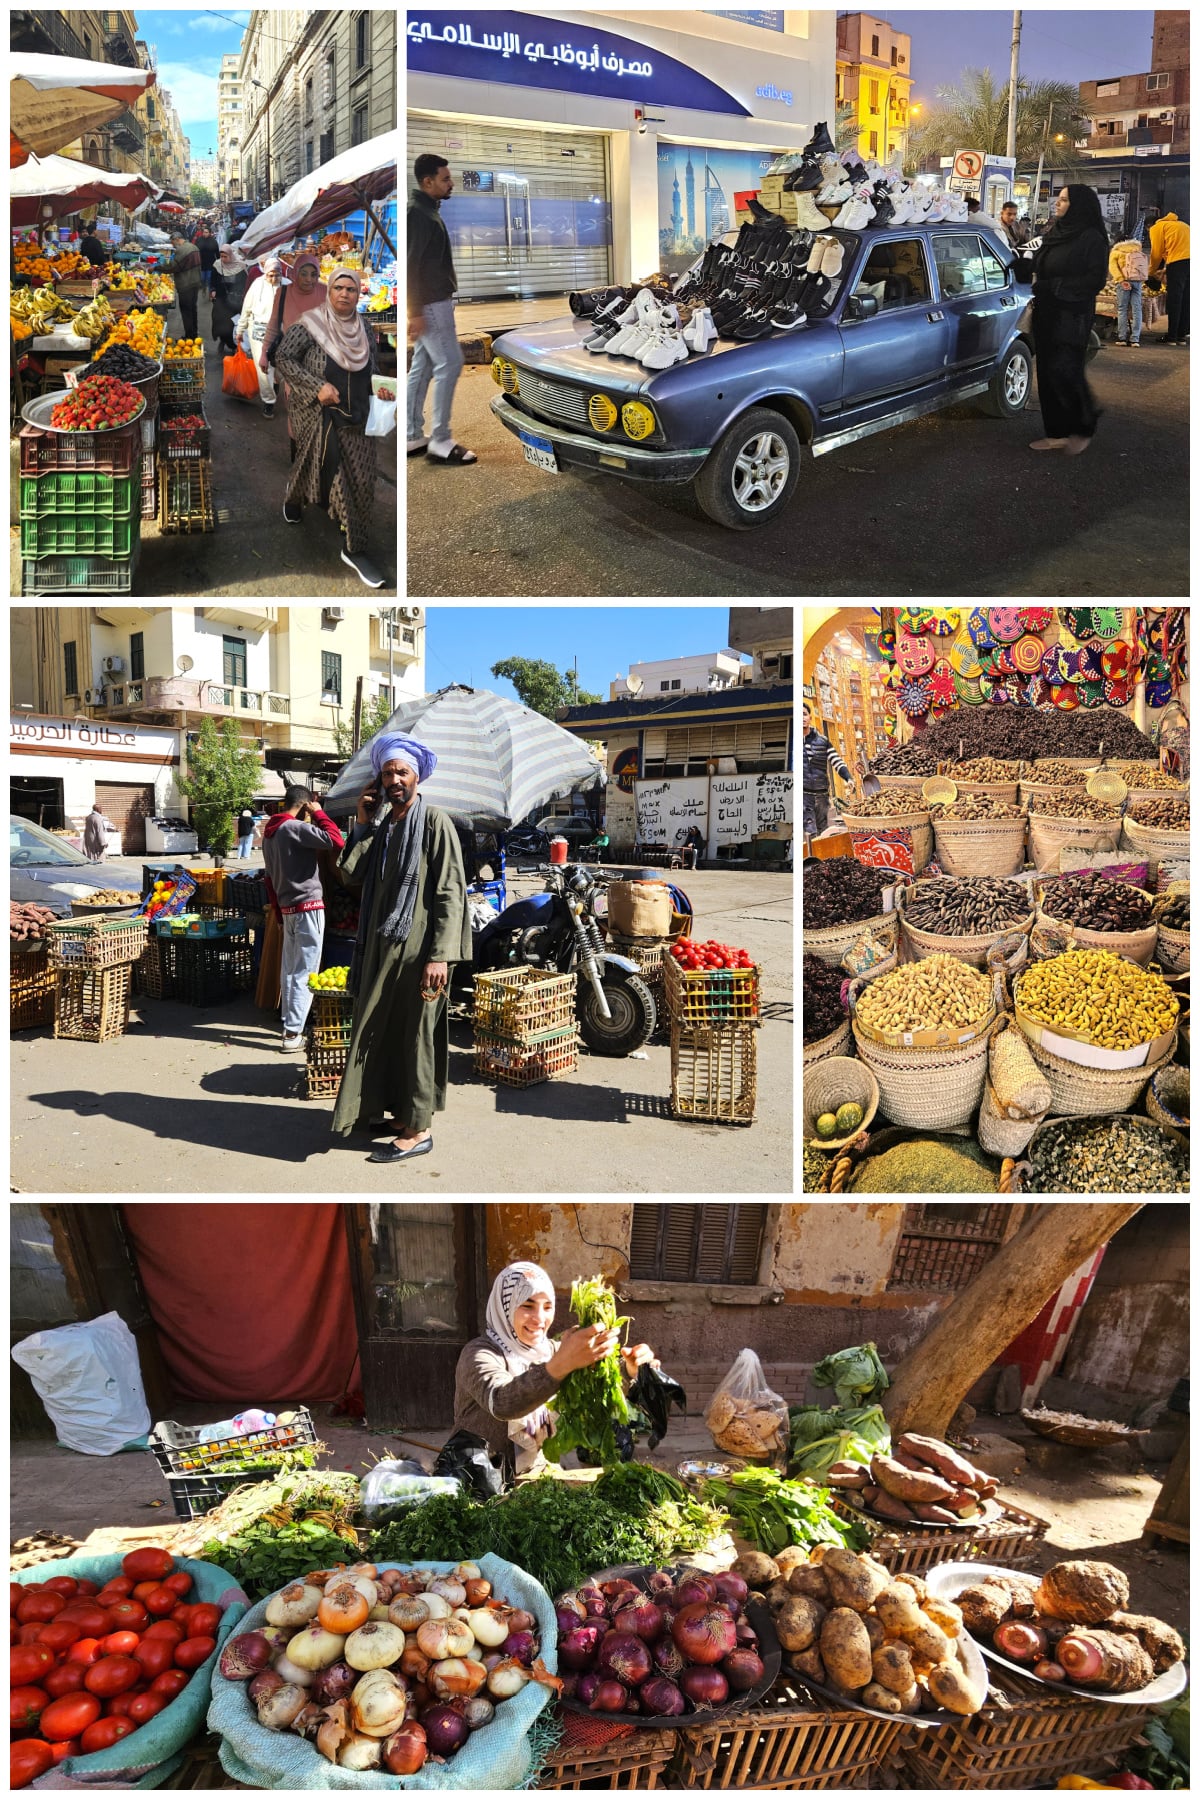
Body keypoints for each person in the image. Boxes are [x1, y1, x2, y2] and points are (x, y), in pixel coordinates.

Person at [331, 733, 472, 1163]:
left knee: (418, 1037)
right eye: (388, 772)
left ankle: (419, 1129)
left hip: (419, 953)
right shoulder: (385, 824)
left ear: (416, 777)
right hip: (381, 949)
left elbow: (451, 892)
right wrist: (361, 822)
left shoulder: (435, 823)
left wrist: (440, 956)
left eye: (402, 772)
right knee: (383, 1029)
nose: (394, 779)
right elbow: (350, 876)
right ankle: (398, 1113)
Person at [447, 1261, 657, 1489]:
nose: (539, 1318)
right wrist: (561, 1364)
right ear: (505, 1307)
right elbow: (501, 1402)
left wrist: (630, 1368)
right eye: (527, 1306)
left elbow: (594, 1386)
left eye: (547, 1307)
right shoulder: (480, 1353)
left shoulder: (552, 1351)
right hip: (478, 1477)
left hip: (535, 1477)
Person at [276, 267, 386, 589]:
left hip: (358, 416)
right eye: (338, 287)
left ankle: (351, 544)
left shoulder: (364, 327)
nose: (344, 294)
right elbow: (283, 357)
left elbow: (373, 368)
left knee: (363, 479)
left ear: (358, 294)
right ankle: (350, 545)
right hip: (318, 414)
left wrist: (381, 388)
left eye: (351, 289)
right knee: (328, 472)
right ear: (330, 291)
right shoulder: (310, 324)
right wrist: (316, 386)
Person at [261, 784, 345, 1053]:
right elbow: (336, 840)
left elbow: (269, 879)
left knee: (290, 969)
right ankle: (293, 1034)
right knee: (305, 970)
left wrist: (278, 912)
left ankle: (288, 1022)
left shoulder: (269, 834)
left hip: (287, 909)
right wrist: (319, 813)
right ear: (305, 804)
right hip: (308, 907)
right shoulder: (293, 828)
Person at [1028, 184, 1108, 457]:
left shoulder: (1091, 238)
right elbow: (1040, 260)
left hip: (1072, 314)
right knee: (1047, 371)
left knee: (1066, 370)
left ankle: (1084, 425)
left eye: (1064, 200)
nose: (1057, 204)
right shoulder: (1057, 232)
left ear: (1079, 205)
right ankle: (1056, 433)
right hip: (1047, 312)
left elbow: (1094, 280)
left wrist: (1053, 286)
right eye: (1058, 199)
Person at [407, 153, 476, 465]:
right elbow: (411, 266)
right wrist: (415, 312)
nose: (451, 183)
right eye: (446, 178)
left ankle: (410, 434)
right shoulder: (418, 215)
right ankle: (441, 439)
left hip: (433, 302)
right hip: (432, 304)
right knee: (450, 362)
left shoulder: (426, 210)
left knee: (422, 367)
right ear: (428, 181)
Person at [264, 250, 326, 460]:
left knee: (320, 408)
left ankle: (317, 452)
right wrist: (264, 354)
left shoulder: (326, 292)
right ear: (295, 273)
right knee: (295, 406)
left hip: (321, 361)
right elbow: (274, 325)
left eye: (313, 274)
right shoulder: (283, 293)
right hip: (292, 362)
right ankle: (297, 454)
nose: (309, 279)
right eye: (304, 273)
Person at [237, 254, 284, 414]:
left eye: (277, 275)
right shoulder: (257, 285)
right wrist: (240, 329)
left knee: (278, 364)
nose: (273, 278)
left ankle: (275, 384)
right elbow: (246, 308)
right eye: (270, 275)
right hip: (258, 329)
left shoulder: (286, 286)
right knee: (263, 367)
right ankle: (269, 401)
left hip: (281, 331)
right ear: (265, 273)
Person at [802, 699, 853, 837]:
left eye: (804, 714)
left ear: (810, 718)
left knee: (823, 829)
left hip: (822, 794)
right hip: (804, 794)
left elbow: (836, 761)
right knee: (810, 831)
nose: (802, 718)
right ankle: (814, 857)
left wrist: (848, 778)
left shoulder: (822, 741)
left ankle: (822, 857)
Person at [1147, 211, 1189, 346]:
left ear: (1149, 225)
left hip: (1177, 263)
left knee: (1174, 300)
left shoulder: (1156, 228)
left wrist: (1150, 273)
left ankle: (1171, 337)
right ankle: (1181, 336)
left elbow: (1156, 253)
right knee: (1186, 299)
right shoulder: (1182, 225)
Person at [1108, 233, 1149, 348]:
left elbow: (1113, 268)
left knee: (1122, 309)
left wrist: (1121, 280)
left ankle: (1122, 338)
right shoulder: (1137, 251)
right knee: (1137, 309)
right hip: (1137, 282)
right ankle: (1135, 339)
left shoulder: (1116, 252)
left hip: (1124, 282)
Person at [210, 248, 246, 356]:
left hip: (234, 301)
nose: (223, 259)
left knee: (232, 324)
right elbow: (212, 280)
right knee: (219, 322)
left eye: (225, 256)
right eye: (221, 257)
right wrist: (212, 290)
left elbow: (244, 283)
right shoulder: (217, 265)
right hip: (221, 299)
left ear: (231, 255)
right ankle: (223, 341)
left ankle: (234, 346)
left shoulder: (239, 266)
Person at [170, 234, 202, 341]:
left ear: (177, 239)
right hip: (195, 283)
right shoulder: (194, 247)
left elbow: (174, 267)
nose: (173, 245)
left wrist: (157, 268)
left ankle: (189, 336)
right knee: (193, 309)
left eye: (173, 242)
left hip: (185, 284)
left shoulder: (182, 250)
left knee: (186, 311)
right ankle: (194, 334)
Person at [195, 224, 219, 296]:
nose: (204, 234)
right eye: (204, 232)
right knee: (202, 278)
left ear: (210, 233)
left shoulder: (214, 241)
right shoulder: (199, 240)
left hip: (210, 263)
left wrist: (219, 261)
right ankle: (204, 287)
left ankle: (210, 291)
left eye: (206, 232)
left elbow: (217, 252)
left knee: (209, 278)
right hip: (201, 263)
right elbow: (195, 250)